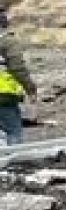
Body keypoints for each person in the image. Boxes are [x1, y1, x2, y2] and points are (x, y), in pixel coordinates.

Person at [0, 11, 35, 147]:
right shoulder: (7, 42)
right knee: (13, 131)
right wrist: (30, 89)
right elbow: (18, 69)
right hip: (4, 95)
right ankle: (13, 158)